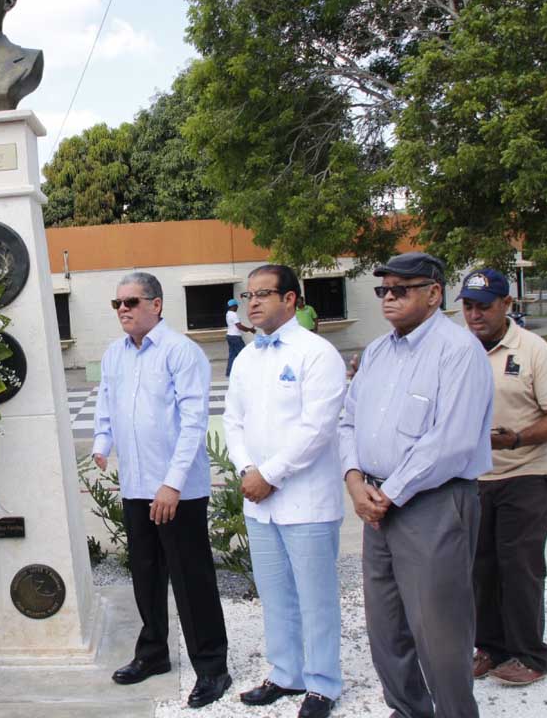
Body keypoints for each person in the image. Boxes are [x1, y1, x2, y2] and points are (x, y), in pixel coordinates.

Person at [340, 252, 493, 718]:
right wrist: (353, 480)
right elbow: (347, 422)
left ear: (433, 293)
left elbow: (451, 440)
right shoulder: (378, 352)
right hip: (376, 504)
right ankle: (408, 710)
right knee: (385, 627)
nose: (388, 298)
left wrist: (388, 493)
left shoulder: (458, 351)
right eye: (382, 289)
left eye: (400, 289)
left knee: (440, 633)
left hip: (432, 503)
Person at [93, 272, 233, 708]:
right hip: (136, 484)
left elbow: (193, 423)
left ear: (156, 304)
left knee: (191, 580)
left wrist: (171, 483)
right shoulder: (114, 355)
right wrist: (102, 443)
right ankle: (153, 653)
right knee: (147, 575)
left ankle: (212, 668)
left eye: (132, 301)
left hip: (177, 491)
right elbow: (105, 400)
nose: (123, 310)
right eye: (117, 303)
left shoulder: (181, 353)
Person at [223, 265, 347, 718]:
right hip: (260, 502)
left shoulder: (317, 354)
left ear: (291, 299)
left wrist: (270, 474)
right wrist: (247, 468)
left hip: (306, 501)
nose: (252, 303)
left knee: (315, 598)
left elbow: (317, 429)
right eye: (247, 295)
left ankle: (322, 683)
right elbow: (232, 421)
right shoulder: (247, 359)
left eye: (263, 294)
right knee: (275, 595)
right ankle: (286, 673)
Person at [458, 269, 547, 686]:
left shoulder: (534, 350)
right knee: (479, 567)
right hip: (474, 478)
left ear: (507, 305)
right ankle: (490, 647)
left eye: (484, 306)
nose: (474, 315)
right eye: (468, 306)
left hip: (527, 473)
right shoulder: (458, 349)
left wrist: (518, 439)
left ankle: (530, 655)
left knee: (519, 566)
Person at [225, 298, 255, 377]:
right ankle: (248, 371)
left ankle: (229, 372)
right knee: (244, 353)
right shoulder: (233, 314)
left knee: (232, 355)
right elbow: (239, 326)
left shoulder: (228, 313)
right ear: (233, 306)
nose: (237, 307)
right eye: (236, 305)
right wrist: (250, 330)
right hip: (235, 337)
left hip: (229, 336)